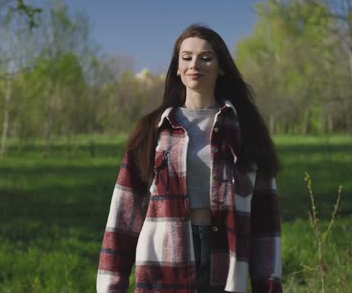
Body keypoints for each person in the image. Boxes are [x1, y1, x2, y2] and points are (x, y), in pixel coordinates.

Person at [97, 24, 282, 293]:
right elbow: (124, 215)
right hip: (164, 258)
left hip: (226, 254)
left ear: (221, 67)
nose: (194, 64)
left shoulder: (246, 130)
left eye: (206, 57)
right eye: (186, 57)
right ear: (177, 68)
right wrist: (111, 285)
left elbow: (266, 222)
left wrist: (268, 284)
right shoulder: (153, 129)